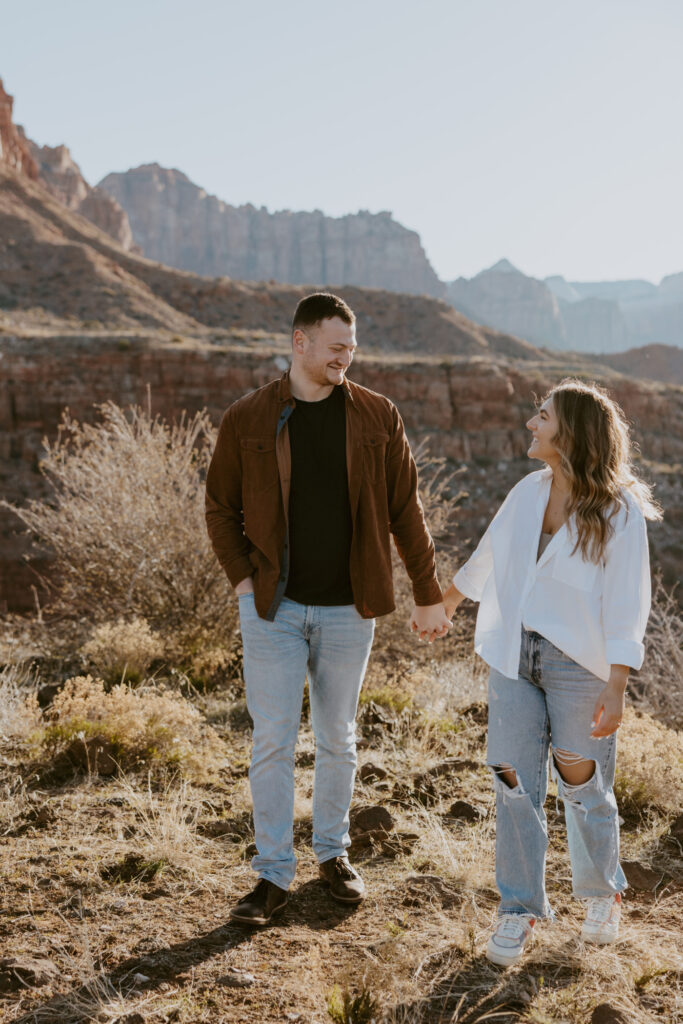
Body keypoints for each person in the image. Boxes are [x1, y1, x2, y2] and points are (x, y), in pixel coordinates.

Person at [206, 292, 451, 925]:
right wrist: (241, 579)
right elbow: (219, 508)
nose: (348, 357)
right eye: (336, 346)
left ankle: (333, 855)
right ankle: (271, 876)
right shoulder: (248, 417)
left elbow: (406, 510)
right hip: (272, 608)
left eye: (353, 347)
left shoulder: (376, 416)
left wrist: (427, 593)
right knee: (273, 740)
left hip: (350, 607)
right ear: (300, 343)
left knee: (338, 738)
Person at [441, 378, 660, 967]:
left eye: (542, 416)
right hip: (514, 654)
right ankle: (519, 909)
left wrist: (617, 682)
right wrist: (445, 602)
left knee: (583, 782)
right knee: (512, 779)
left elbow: (627, 600)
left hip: (579, 666)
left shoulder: (619, 511)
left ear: (570, 432)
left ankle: (600, 893)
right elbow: (488, 554)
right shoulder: (527, 491)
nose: (531, 424)